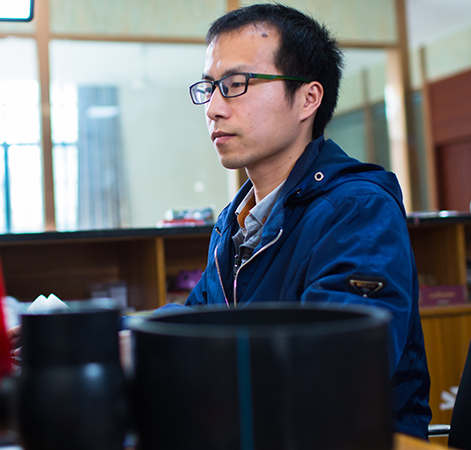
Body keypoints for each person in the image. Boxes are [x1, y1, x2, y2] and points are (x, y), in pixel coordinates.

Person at [184, 3, 431, 438]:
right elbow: (194, 323)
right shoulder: (234, 223)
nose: (214, 108)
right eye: (209, 88)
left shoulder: (356, 208)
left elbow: (341, 366)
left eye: (236, 84)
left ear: (308, 98)